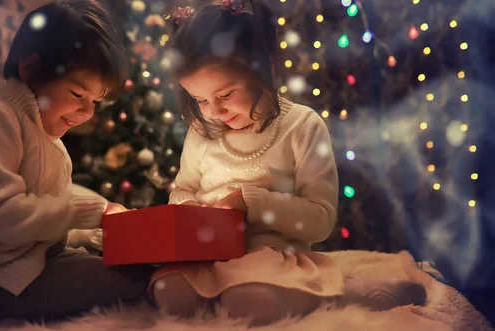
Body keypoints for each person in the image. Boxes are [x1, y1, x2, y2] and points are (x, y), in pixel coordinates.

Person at [151, 0, 427, 326]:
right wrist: (187, 211)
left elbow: (321, 219)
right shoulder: (202, 133)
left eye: (225, 95)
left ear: (262, 68)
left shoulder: (302, 127)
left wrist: (251, 203)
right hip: (210, 255)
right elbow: (183, 189)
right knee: (168, 292)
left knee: (248, 301)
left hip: (273, 258)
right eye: (200, 100)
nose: (214, 111)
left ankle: (352, 294)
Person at [0, 0, 153, 323]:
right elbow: (2, 217)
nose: (87, 112)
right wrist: (94, 212)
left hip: (33, 263)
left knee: (121, 260)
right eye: (78, 95)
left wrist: (108, 231)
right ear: (30, 68)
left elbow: (52, 224)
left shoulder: (53, 144)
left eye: (95, 101)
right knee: (132, 277)